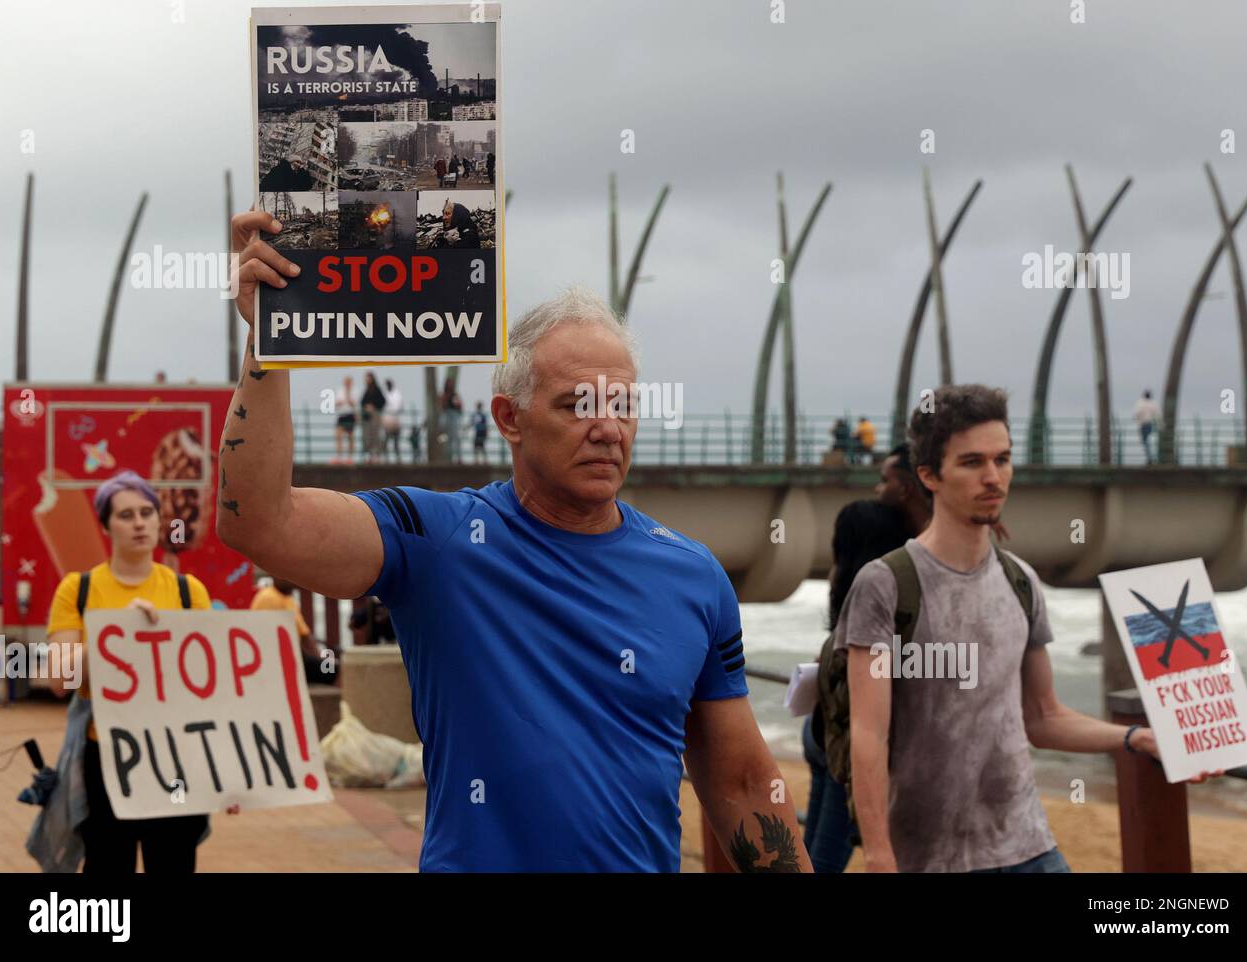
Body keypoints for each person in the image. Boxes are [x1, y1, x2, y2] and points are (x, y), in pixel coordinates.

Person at [217, 222, 808, 873]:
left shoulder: (695, 577)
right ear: (509, 419)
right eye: (577, 404)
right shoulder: (436, 541)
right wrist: (266, 343)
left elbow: (745, 785)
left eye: (623, 404)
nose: (608, 427)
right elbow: (260, 524)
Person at [840, 384, 1221, 874]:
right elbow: (867, 734)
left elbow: (1042, 717)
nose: (993, 477)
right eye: (973, 462)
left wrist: (1134, 738)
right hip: (929, 859)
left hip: (1030, 848)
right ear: (930, 475)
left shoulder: (1021, 580)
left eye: (1003, 459)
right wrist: (878, 853)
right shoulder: (886, 584)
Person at [45, 470, 215, 874]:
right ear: (106, 526)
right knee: (107, 865)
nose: (138, 523)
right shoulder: (78, 589)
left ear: (159, 521)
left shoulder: (189, 591)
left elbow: (214, 684)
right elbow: (59, 679)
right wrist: (115, 635)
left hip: (175, 756)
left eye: (146, 512)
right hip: (106, 755)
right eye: (125, 515)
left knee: (173, 863)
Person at [802, 445, 931, 873]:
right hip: (849, 750)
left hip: (821, 731)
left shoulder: (850, 595)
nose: (879, 488)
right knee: (824, 860)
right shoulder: (895, 589)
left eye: (884, 479)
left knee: (812, 856)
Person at [250, 576, 337, 685]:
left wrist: (322, 661)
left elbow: (305, 635)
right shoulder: (268, 597)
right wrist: (322, 662)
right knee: (335, 671)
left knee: (332, 668)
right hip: (279, 658)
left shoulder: (288, 599)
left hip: (290, 655)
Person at [360, 372, 386, 462]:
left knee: (375, 435)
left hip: (375, 416)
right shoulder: (367, 390)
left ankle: (376, 455)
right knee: (367, 436)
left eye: (368, 378)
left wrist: (373, 406)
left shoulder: (377, 389)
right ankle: (369, 455)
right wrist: (366, 407)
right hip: (367, 418)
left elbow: (382, 401)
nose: (366, 380)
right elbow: (362, 402)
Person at [440, 377, 464, 463]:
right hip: (447, 417)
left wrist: (456, 403)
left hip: (454, 417)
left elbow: (460, 407)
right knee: (446, 439)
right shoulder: (444, 395)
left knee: (456, 438)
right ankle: (447, 458)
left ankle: (457, 458)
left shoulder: (455, 395)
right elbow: (442, 406)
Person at [334, 375, 357, 464]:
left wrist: (347, 396)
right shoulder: (340, 390)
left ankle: (350, 458)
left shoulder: (354, 391)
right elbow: (337, 402)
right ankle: (339, 457)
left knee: (350, 437)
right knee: (338, 435)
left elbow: (353, 403)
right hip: (341, 415)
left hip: (350, 415)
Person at [1134, 389, 1160, 464]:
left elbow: (1137, 413)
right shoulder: (1153, 403)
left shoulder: (1140, 403)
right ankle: (1151, 457)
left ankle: (1149, 457)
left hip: (1143, 424)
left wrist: (1138, 419)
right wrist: (1160, 424)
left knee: (1144, 441)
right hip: (1150, 424)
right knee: (1147, 441)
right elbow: (1158, 414)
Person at [382, 379, 404, 463]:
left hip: (394, 420)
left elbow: (398, 407)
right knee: (387, 440)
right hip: (387, 420)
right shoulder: (385, 394)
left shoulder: (397, 394)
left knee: (396, 441)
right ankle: (386, 459)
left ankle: (397, 458)